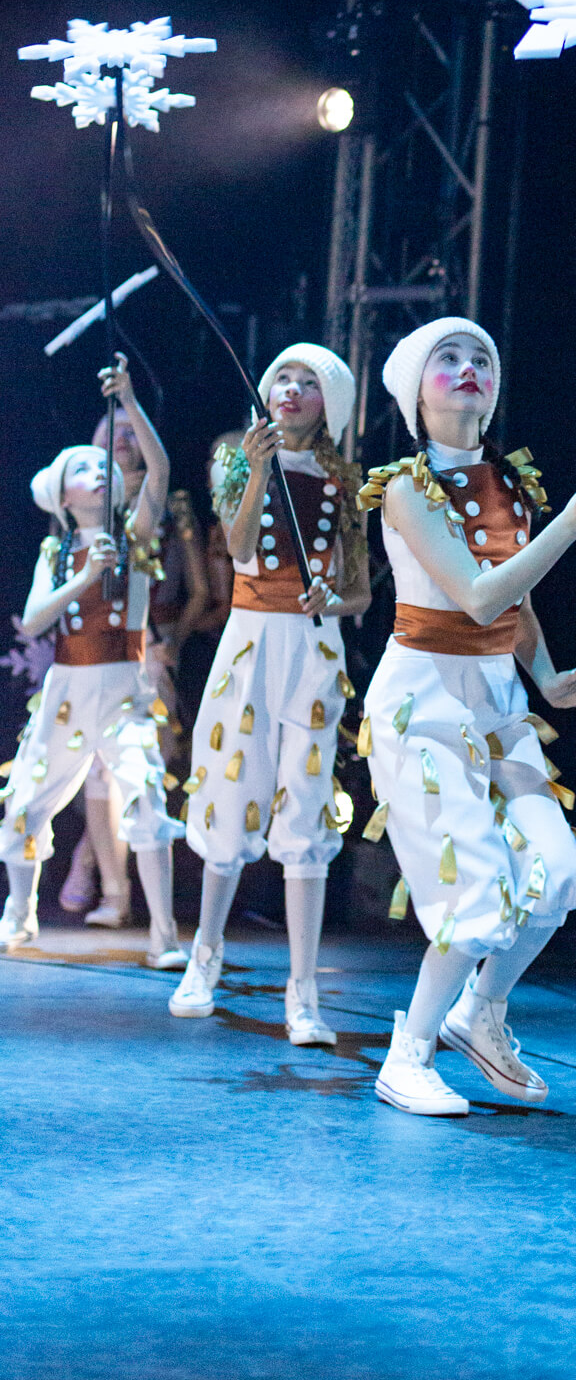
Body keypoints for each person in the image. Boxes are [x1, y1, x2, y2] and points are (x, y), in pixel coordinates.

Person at [360, 318, 576, 1116]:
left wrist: (549, 680)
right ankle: (407, 1056)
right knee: (476, 896)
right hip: (422, 700)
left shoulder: (510, 482)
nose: (469, 367)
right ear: (414, 391)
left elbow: (518, 604)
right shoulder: (404, 486)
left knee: (555, 878)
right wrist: (571, 526)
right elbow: (477, 595)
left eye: (482, 359)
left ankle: (480, 1012)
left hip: (497, 703)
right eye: (449, 358)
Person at [168, 346, 368, 1044]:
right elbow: (240, 544)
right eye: (283, 378)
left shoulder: (346, 483)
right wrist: (256, 471)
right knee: (229, 791)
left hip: (311, 651)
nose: (291, 389)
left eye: (307, 383)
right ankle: (205, 954)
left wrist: (330, 597)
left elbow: (361, 591)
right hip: (249, 646)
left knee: (307, 808)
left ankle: (303, 991)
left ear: (328, 405)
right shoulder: (238, 462)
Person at [0, 356, 184, 961]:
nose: (100, 472)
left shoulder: (134, 535)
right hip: (67, 693)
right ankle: (20, 909)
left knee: (147, 801)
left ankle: (161, 936)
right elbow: (31, 620)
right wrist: (86, 577)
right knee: (27, 802)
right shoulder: (57, 552)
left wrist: (129, 399)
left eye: (105, 465)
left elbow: (157, 468)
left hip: (126, 694)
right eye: (83, 468)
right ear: (61, 494)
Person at [59, 411, 209, 923]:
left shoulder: (163, 504)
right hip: (94, 650)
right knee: (99, 774)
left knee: (143, 768)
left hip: (153, 648)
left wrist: (170, 640)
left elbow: (202, 594)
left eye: (132, 430)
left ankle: (94, 864)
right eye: (112, 429)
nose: (122, 439)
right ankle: (112, 892)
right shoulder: (84, 498)